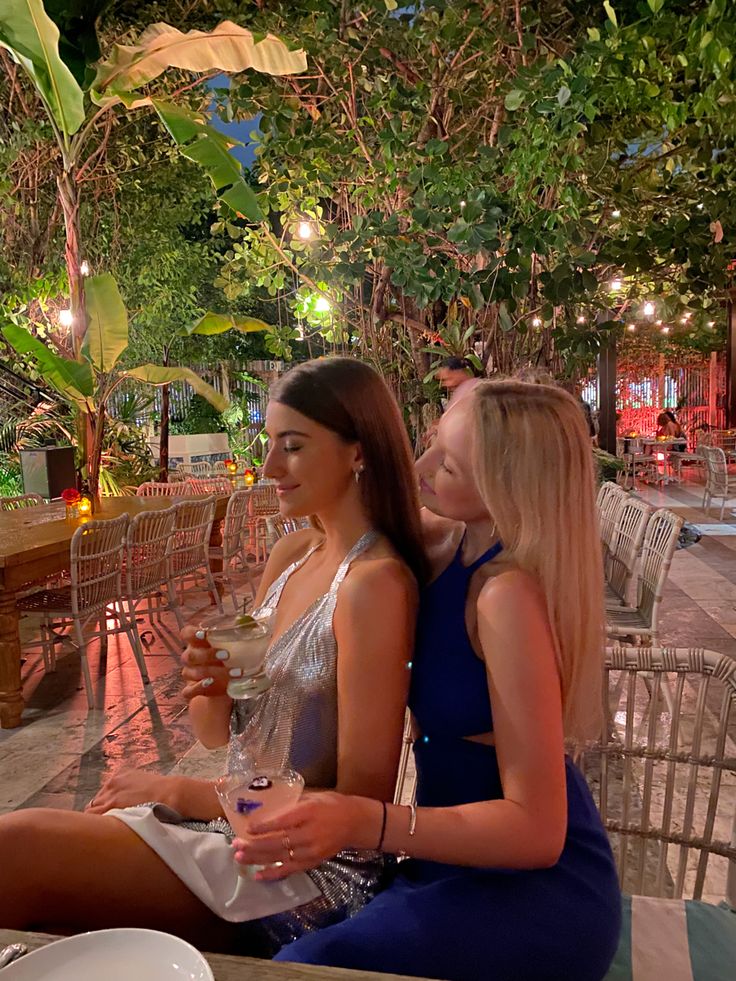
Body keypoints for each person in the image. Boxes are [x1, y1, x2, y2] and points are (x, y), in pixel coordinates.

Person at [0, 358, 425, 956]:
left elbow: (358, 810)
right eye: (269, 444)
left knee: (19, 847)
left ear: (358, 451)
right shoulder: (293, 553)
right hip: (231, 825)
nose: (270, 468)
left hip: (302, 870)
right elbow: (216, 735)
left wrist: (177, 792)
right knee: (44, 917)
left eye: (293, 447)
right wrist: (211, 684)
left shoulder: (372, 584)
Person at [235, 380, 621, 981]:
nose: (420, 467)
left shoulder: (505, 596)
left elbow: (539, 831)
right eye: (432, 444)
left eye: (450, 465)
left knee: (304, 967)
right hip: (441, 852)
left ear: (505, 487)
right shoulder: (445, 548)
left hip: (533, 887)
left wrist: (365, 821)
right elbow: (352, 516)